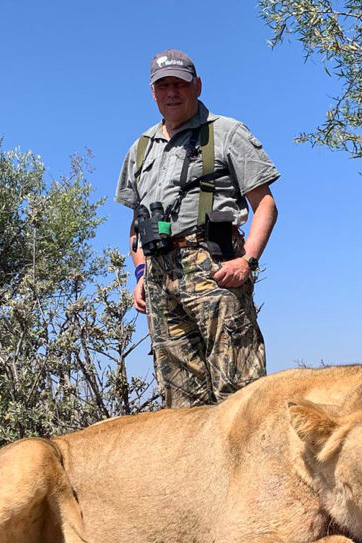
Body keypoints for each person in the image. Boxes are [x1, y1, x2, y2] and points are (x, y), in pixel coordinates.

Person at [116, 49, 279, 409]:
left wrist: (246, 262)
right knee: (181, 404)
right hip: (161, 280)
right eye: (163, 86)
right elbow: (136, 222)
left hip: (215, 269)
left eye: (179, 83)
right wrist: (141, 273)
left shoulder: (226, 132)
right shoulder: (140, 149)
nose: (172, 92)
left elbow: (265, 205)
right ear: (153, 92)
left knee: (239, 397)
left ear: (197, 85)